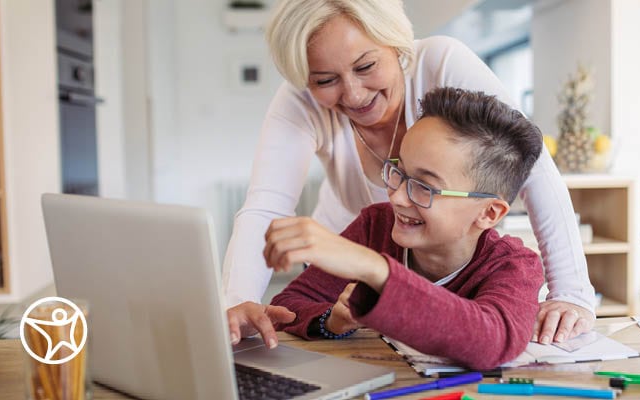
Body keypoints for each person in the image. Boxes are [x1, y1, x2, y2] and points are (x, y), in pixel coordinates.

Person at [223, 0, 595, 349]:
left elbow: (531, 165)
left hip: (437, 258)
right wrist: (238, 303)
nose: (352, 95)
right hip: (350, 254)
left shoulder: (441, 61)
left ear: (396, 44)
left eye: (366, 67)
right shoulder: (301, 106)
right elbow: (266, 207)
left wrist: (571, 293)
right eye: (325, 80)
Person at [265, 87, 544, 369]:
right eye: (399, 172)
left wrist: (373, 268)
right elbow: (287, 305)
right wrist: (331, 320)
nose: (397, 197)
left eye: (424, 187)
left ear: (489, 212)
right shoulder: (376, 226)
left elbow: (492, 341)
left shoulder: (514, 265)